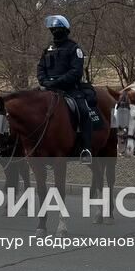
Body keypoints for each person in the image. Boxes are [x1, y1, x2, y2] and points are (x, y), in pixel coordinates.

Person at [37, 15, 100, 162]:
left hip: (70, 90)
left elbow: (76, 72)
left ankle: (86, 148)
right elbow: (40, 68)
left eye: (57, 29)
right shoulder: (47, 49)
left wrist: (58, 82)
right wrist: (45, 81)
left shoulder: (74, 48)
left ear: (65, 30)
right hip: (48, 89)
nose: (54, 32)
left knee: (83, 112)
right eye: (52, 30)